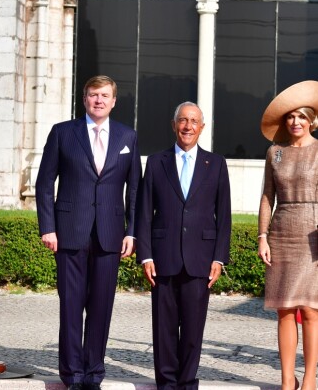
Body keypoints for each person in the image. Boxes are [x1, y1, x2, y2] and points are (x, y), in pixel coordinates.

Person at [35, 75, 141, 390]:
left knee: (101, 307)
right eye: (93, 95)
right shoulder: (63, 133)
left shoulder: (127, 136)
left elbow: (134, 189)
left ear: (113, 100)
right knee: (70, 305)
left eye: (104, 95)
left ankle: (93, 373)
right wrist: (48, 227)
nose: (98, 100)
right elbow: (44, 184)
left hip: (110, 236)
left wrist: (132, 232)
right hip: (69, 233)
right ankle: (72, 374)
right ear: (84, 99)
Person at [135, 101, 232, 390]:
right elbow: (144, 212)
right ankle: (166, 383)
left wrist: (219, 258)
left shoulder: (215, 164)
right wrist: (146, 256)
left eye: (193, 121)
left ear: (202, 127)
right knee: (164, 329)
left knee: (192, 330)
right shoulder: (155, 162)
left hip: (200, 259)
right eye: (183, 120)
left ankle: (187, 383)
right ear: (174, 124)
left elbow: (223, 216)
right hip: (162, 258)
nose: (188, 126)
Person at [258, 80, 318, 390]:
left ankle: (309, 379)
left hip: (312, 234)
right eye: (290, 117)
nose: (295, 122)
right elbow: (267, 197)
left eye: (301, 116)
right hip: (281, 232)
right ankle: (286, 380)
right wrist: (262, 236)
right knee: (284, 308)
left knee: (309, 309)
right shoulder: (275, 152)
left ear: (311, 119)